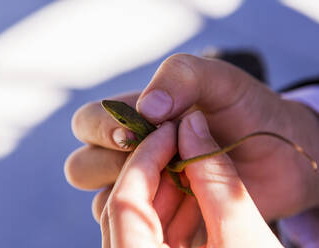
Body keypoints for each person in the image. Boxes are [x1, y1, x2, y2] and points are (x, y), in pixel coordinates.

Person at [65, 53, 319, 247]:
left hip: (176, 165)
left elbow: (141, 142)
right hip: (177, 162)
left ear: (126, 121)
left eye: (120, 119)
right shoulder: (140, 127)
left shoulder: (138, 131)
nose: (117, 117)